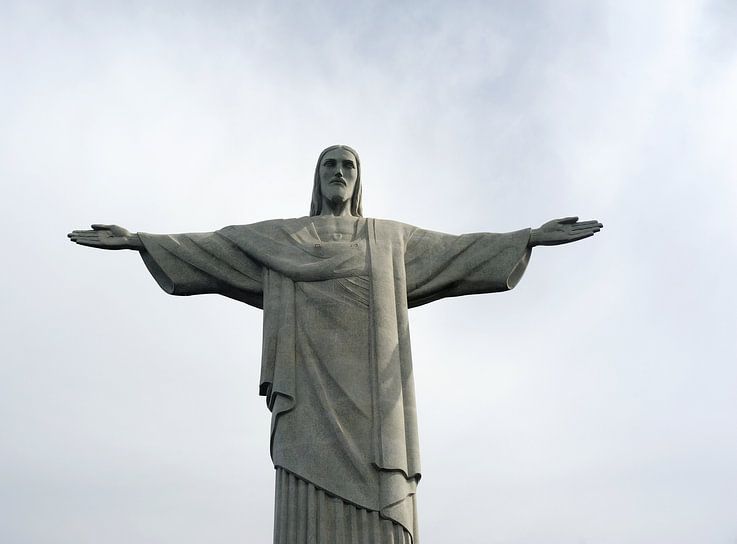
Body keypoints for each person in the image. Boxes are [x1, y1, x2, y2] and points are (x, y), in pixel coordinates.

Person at [69, 145, 602, 543]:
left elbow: (458, 252)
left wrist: (527, 237)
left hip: (374, 411)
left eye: (348, 166)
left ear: (359, 180)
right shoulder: (282, 240)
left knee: (381, 501)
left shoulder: (389, 240)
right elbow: (215, 247)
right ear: (316, 178)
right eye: (330, 165)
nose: (339, 174)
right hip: (307, 400)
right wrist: (141, 240)